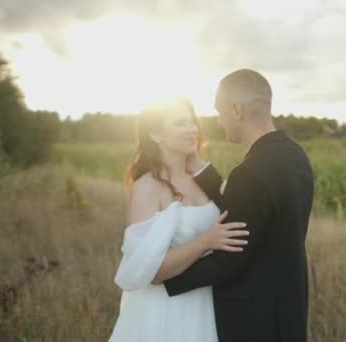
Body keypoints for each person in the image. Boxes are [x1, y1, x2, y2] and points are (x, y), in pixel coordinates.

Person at [163, 69, 314, 342]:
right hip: (289, 308)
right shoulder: (295, 155)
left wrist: (165, 277)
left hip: (255, 320)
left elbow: (230, 263)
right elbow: (248, 212)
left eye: (220, 112)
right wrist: (199, 166)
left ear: (237, 110)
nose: (219, 121)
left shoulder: (250, 173)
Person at [108, 97, 248, 342]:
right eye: (180, 123)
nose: (192, 129)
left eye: (192, 121)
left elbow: (234, 206)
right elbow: (152, 272)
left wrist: (196, 163)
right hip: (164, 308)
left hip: (204, 302)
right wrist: (205, 241)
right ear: (155, 133)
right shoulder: (146, 188)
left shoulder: (201, 179)